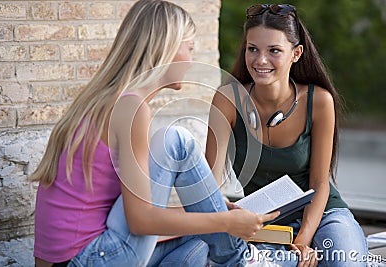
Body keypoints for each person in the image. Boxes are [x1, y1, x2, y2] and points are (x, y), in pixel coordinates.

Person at [30, 1, 282, 266]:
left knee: (200, 242)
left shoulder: (108, 99)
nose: (191, 59)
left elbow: (136, 214)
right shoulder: (131, 109)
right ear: (167, 48)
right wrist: (226, 222)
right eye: (190, 47)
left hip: (76, 258)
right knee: (175, 141)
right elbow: (141, 221)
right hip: (88, 258)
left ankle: (235, 254)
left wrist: (213, 213)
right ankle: (242, 260)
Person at [205, 4, 368, 267]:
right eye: (253, 49)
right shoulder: (227, 100)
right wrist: (227, 213)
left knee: (344, 263)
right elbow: (209, 182)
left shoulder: (318, 101)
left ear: (296, 53)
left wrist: (304, 241)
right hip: (263, 223)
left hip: (323, 214)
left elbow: (319, 182)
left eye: (274, 51)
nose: (260, 60)